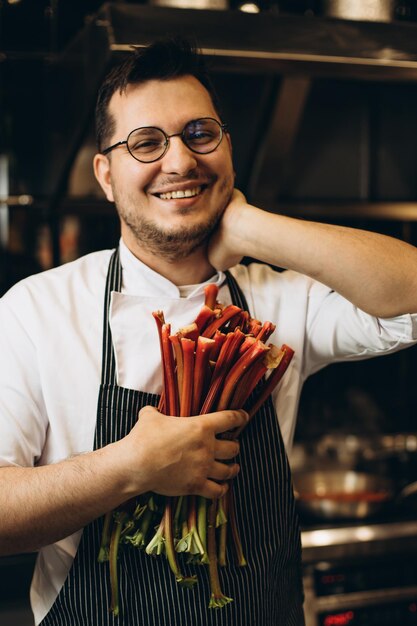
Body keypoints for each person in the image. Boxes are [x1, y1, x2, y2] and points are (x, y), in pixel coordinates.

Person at [1, 37, 417, 626]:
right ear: (106, 174)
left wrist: (250, 227)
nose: (180, 161)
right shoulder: (36, 311)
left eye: (200, 134)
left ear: (227, 149)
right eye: (146, 143)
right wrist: (130, 467)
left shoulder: (281, 297)